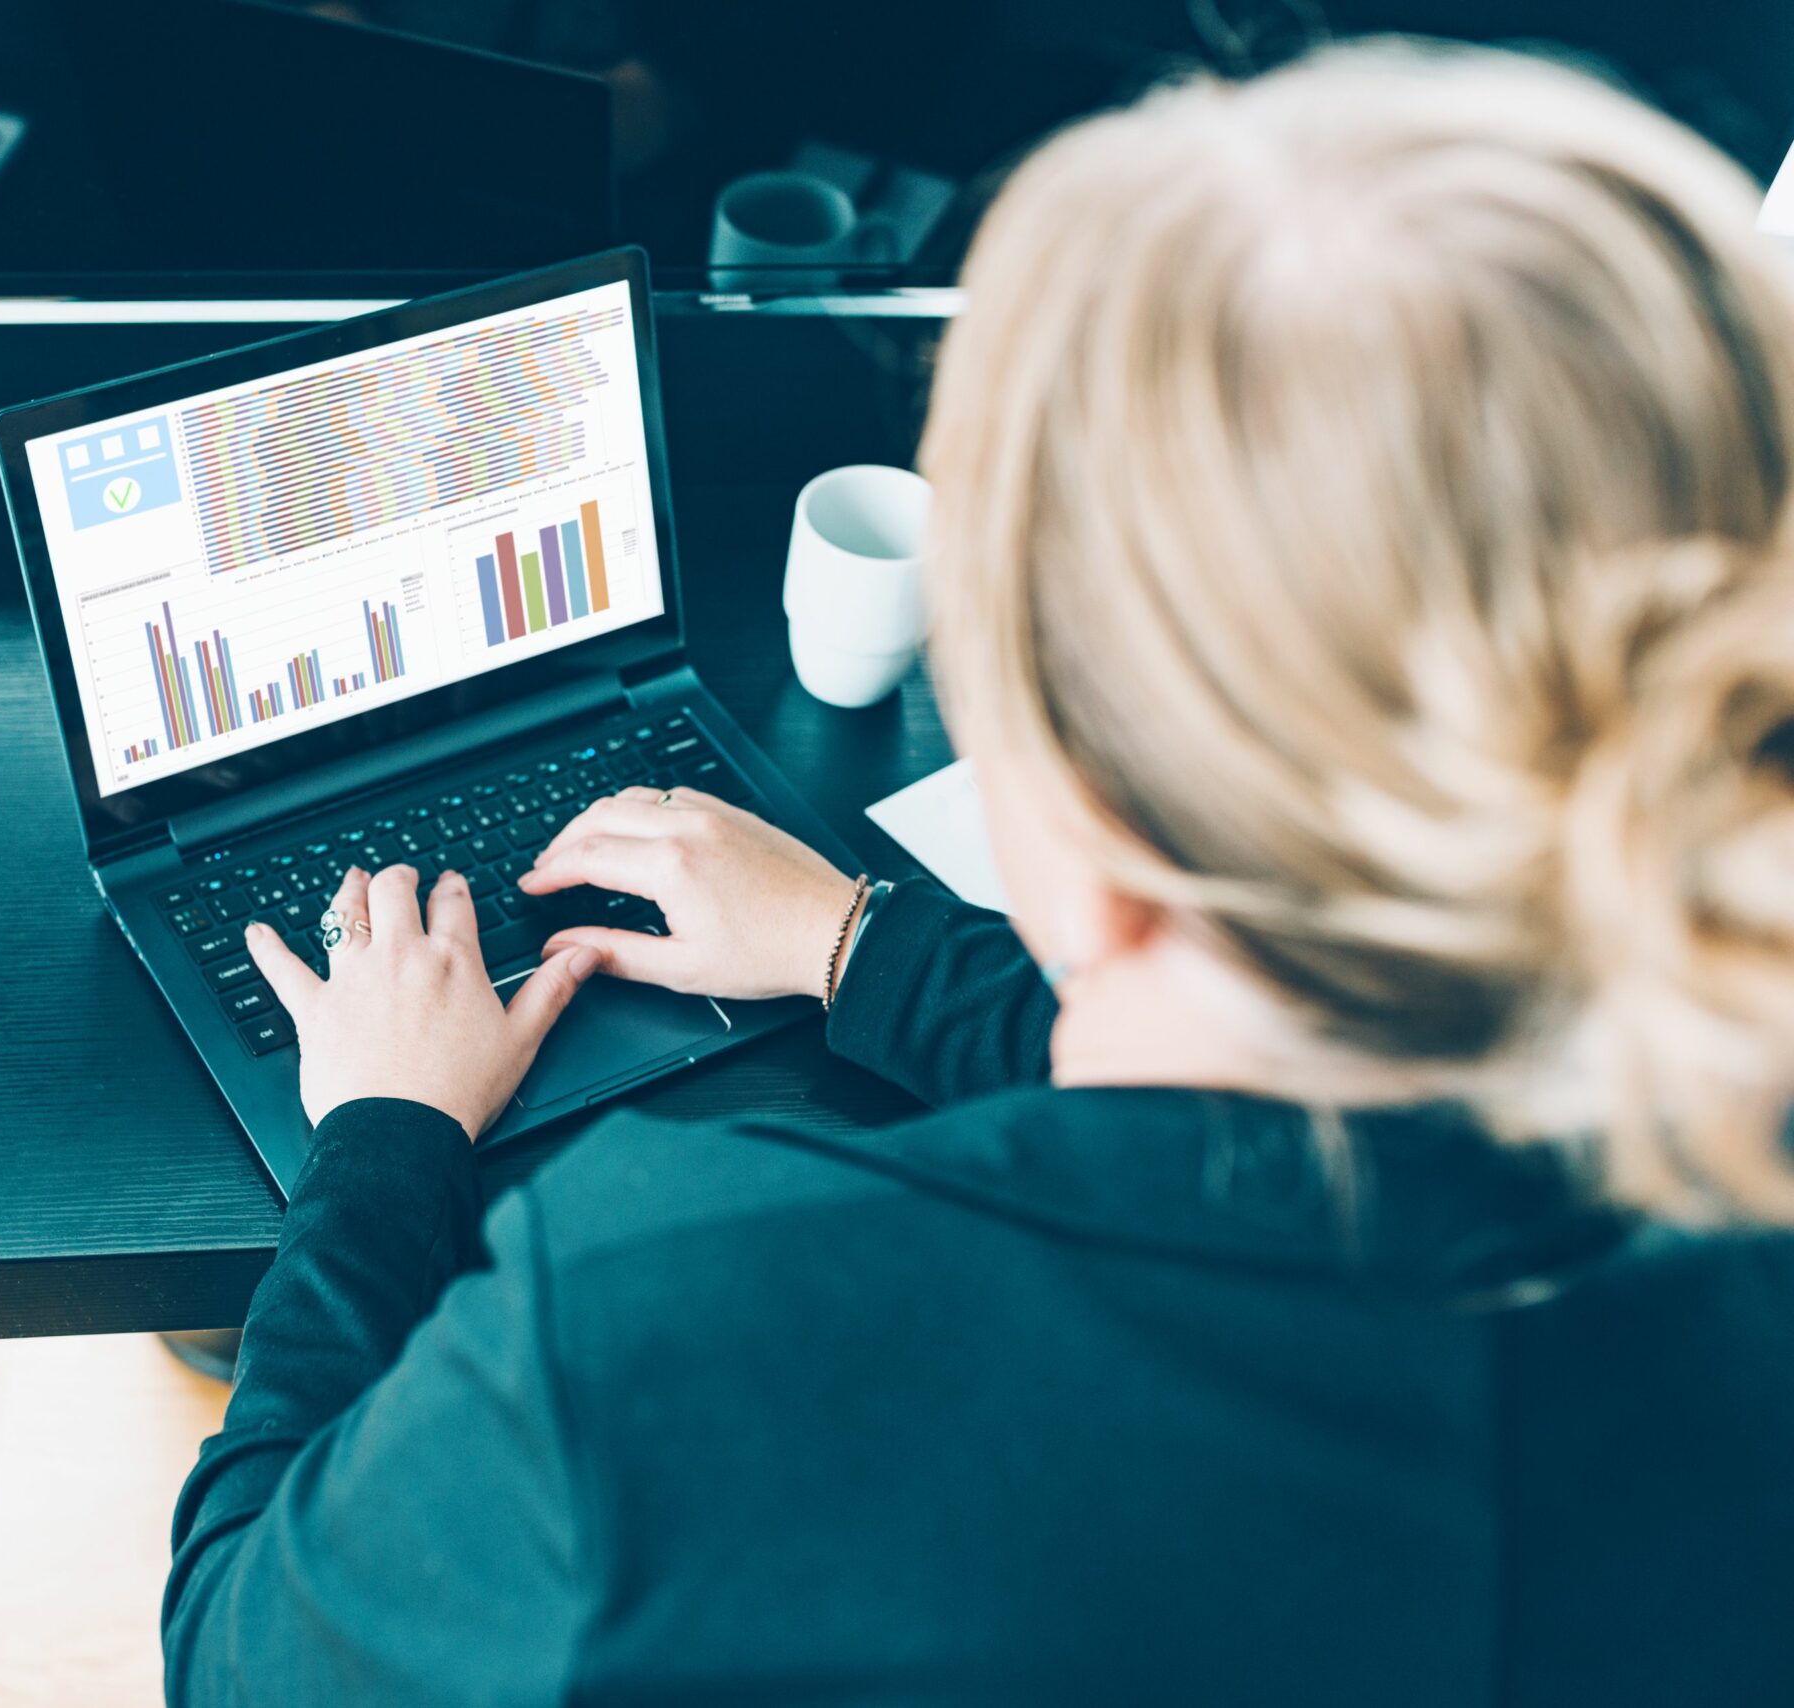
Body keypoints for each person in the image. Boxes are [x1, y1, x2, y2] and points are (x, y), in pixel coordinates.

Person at [161, 40, 1794, 1706]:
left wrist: (381, 1138)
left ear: (1067, 794)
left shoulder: (662, 1333)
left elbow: (234, 1651)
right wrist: (864, 948)